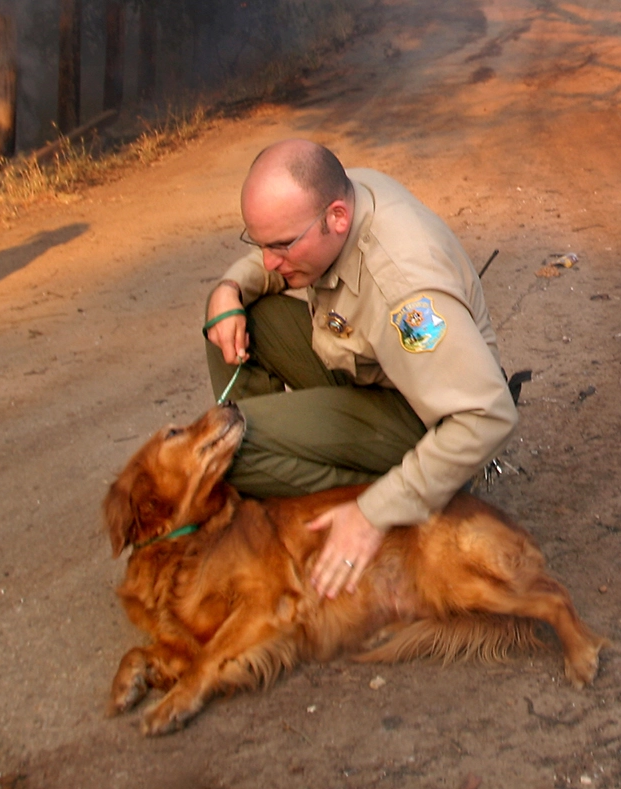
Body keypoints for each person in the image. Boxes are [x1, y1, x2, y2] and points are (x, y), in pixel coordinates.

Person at [202, 139, 516, 600]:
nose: (269, 262)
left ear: (336, 218)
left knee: (232, 452)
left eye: (282, 246)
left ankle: (373, 504)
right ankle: (289, 484)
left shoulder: (404, 294)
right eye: (260, 243)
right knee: (232, 320)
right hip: (369, 369)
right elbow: (267, 264)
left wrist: (373, 514)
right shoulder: (345, 193)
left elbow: (488, 415)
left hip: (424, 419)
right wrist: (229, 287)